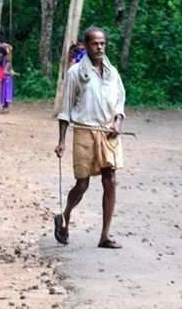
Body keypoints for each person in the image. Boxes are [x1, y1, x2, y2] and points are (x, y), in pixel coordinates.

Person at [54, 27, 126, 249]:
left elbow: (120, 100)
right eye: (95, 43)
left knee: (110, 181)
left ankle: (104, 235)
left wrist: (117, 122)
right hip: (84, 130)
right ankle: (65, 215)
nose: (100, 47)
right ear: (86, 45)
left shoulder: (112, 72)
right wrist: (62, 141)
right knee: (82, 184)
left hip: (108, 132)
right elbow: (66, 108)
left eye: (103, 43)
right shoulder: (76, 73)